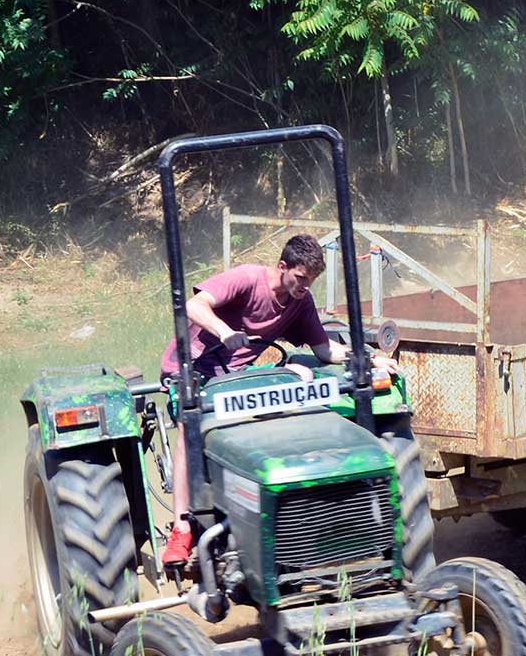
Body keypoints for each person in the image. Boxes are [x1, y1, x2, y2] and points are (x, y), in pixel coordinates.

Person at [158, 233, 395, 567]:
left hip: (238, 377)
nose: (305, 286)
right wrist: (225, 333)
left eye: (311, 281)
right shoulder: (246, 279)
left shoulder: (300, 300)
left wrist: (367, 360)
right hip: (193, 371)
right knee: (190, 424)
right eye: (300, 278)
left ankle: (291, 517)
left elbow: (324, 349)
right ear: (283, 266)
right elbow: (194, 305)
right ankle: (182, 526)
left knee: (299, 381)